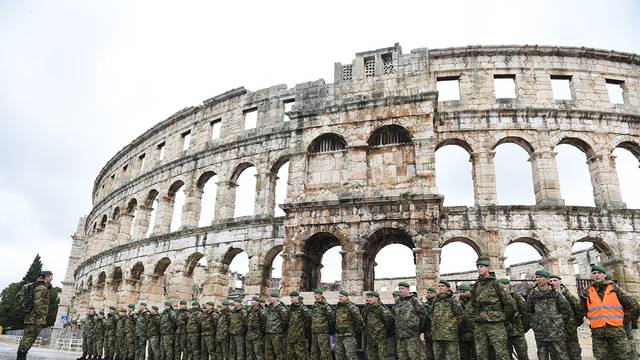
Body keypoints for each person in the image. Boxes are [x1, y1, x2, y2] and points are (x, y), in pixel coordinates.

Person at [579, 264, 640, 360]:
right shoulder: (587, 292)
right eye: (594, 273)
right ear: (592, 275)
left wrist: (625, 319)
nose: (597, 275)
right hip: (598, 332)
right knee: (602, 357)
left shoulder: (615, 289)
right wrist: (592, 317)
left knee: (624, 356)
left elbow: (634, 306)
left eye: (599, 273)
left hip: (616, 330)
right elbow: (582, 309)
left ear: (604, 275)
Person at [470, 256, 515, 360]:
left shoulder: (496, 284)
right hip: (480, 324)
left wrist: (502, 316)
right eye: (478, 267)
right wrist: (477, 316)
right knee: (481, 354)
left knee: (501, 353)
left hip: (496, 323)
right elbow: (473, 304)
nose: (479, 269)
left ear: (488, 268)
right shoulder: (476, 286)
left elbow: (509, 304)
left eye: (481, 266)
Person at [526, 269, 572, 360]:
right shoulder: (533, 294)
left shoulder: (556, 293)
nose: (538, 279)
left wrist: (559, 323)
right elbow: (529, 311)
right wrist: (535, 323)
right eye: (537, 277)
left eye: (541, 277)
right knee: (542, 356)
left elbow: (566, 310)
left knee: (560, 356)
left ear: (547, 279)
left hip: (556, 332)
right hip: (540, 332)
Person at [16, 270, 52, 360]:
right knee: (29, 338)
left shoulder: (38, 286)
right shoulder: (42, 288)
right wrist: (40, 318)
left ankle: (21, 356)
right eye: (51, 276)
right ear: (46, 277)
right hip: (35, 318)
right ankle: (21, 357)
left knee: (27, 338)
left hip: (31, 317)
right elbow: (38, 303)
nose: (52, 278)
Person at [549, 274, 582, 360]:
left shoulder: (567, 294)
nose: (553, 283)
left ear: (560, 282)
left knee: (574, 353)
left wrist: (574, 323)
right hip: (555, 331)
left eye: (555, 280)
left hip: (569, 330)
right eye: (551, 281)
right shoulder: (548, 295)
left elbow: (578, 309)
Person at [393, 281, 427, 360]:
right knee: (402, 357)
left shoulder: (414, 300)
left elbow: (423, 316)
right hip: (400, 335)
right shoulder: (398, 301)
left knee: (414, 356)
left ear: (408, 290)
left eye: (402, 288)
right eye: (399, 288)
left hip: (412, 335)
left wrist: (419, 329)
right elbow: (394, 315)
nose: (400, 290)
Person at [431, 280, 464, 360]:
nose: (440, 287)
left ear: (448, 288)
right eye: (439, 286)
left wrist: (453, 326)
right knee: (438, 356)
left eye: (443, 286)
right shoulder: (435, 300)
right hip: (437, 334)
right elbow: (432, 315)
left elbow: (460, 316)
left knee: (453, 356)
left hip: (450, 334)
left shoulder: (453, 300)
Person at [498, 278, 529, 360]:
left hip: (517, 331)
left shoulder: (516, 296)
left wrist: (524, 327)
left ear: (509, 286)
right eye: (501, 286)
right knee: (506, 356)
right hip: (503, 332)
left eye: (505, 285)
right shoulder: (497, 299)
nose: (503, 288)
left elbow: (525, 313)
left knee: (522, 355)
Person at [361, 290, 393, 360]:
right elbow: (364, 321)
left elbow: (389, 322)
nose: (368, 299)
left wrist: (383, 332)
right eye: (367, 297)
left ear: (377, 298)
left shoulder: (382, 309)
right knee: (371, 357)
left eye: (370, 297)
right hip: (370, 338)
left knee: (382, 357)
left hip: (380, 338)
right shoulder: (366, 309)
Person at [335, 290, 363, 360]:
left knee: (351, 356)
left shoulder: (351, 307)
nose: (340, 298)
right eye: (339, 296)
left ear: (347, 297)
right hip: (339, 335)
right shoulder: (338, 307)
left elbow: (359, 319)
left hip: (349, 336)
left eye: (342, 296)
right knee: (339, 355)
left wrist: (355, 329)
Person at [310, 288, 334, 360]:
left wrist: (328, 329)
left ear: (321, 295)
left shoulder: (326, 307)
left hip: (323, 333)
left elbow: (331, 320)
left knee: (325, 353)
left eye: (316, 294)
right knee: (314, 353)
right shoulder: (314, 306)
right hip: (314, 332)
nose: (315, 296)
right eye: (314, 294)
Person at [287, 291, 310, 360]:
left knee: (300, 355)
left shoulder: (303, 308)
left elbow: (308, 319)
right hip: (291, 336)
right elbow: (288, 320)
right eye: (290, 297)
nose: (291, 299)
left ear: (297, 297)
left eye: (292, 297)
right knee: (291, 355)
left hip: (299, 336)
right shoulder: (290, 308)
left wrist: (302, 329)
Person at [265, 291, 288, 360]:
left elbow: (285, 321)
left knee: (279, 352)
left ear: (277, 298)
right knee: (268, 352)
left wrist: (280, 330)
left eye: (273, 297)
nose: (271, 298)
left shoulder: (281, 309)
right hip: (268, 332)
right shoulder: (269, 308)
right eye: (270, 297)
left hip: (277, 333)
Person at [457, 284, 475, 360]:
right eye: (460, 292)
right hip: (462, 335)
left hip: (474, 334)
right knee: (464, 356)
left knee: (476, 355)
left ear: (469, 292)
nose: (462, 294)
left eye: (464, 291)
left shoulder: (474, 302)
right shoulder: (457, 304)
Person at [424, 287, 437, 360]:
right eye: (427, 292)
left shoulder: (437, 303)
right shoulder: (425, 304)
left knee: (437, 352)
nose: (428, 294)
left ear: (435, 294)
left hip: (436, 332)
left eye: (430, 293)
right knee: (429, 354)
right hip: (427, 331)